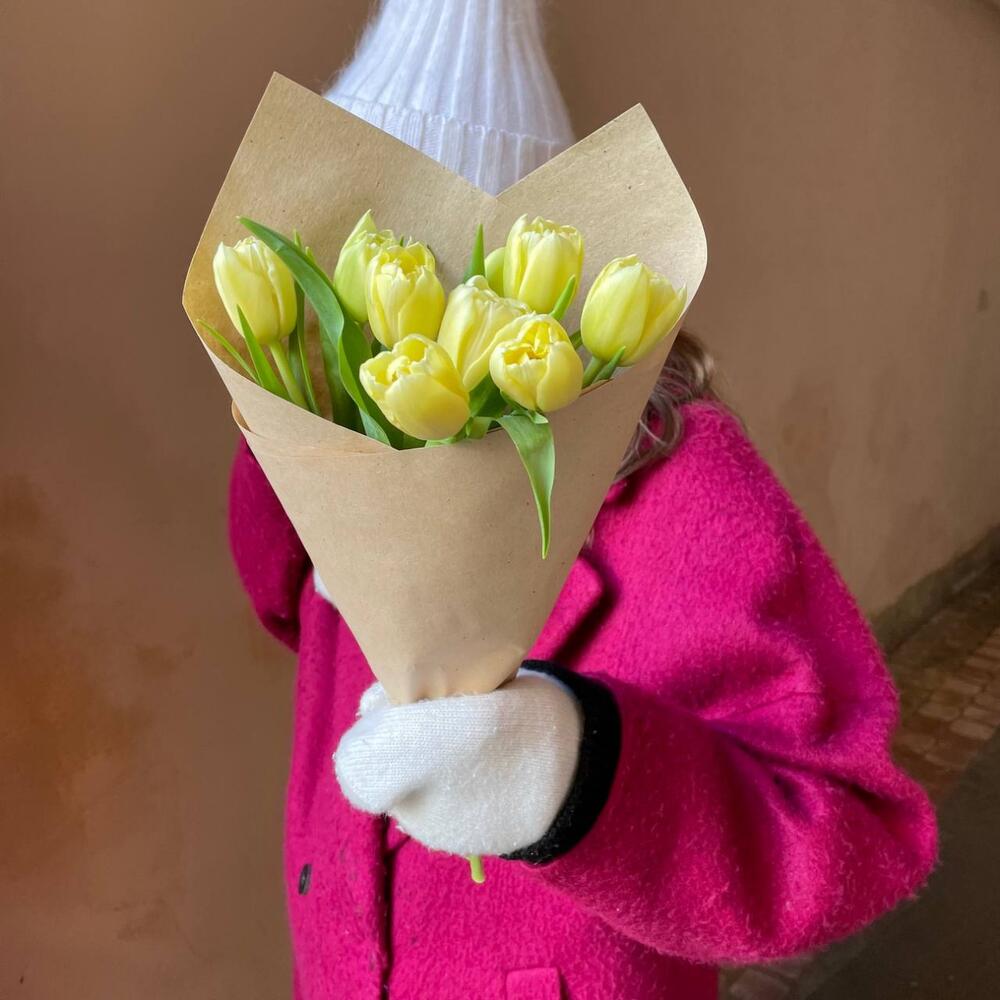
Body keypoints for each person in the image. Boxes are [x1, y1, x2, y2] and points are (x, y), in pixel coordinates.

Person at [228, 2, 936, 997]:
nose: (355, 338)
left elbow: (850, 827)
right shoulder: (337, 450)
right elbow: (281, 603)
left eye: (385, 285)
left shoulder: (681, 488)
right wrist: (298, 464)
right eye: (330, 296)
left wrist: (578, 775)